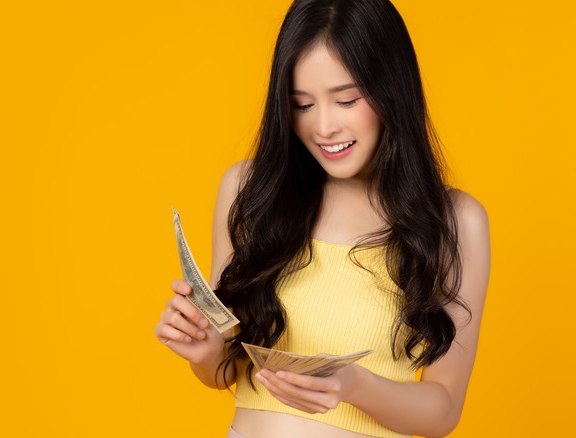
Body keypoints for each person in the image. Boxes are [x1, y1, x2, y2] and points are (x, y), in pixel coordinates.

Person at [154, 0, 490, 437]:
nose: (323, 127)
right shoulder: (250, 190)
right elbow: (227, 373)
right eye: (302, 105)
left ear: (392, 91)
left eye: (346, 100)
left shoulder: (454, 221)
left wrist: (354, 385)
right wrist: (204, 351)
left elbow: (442, 412)